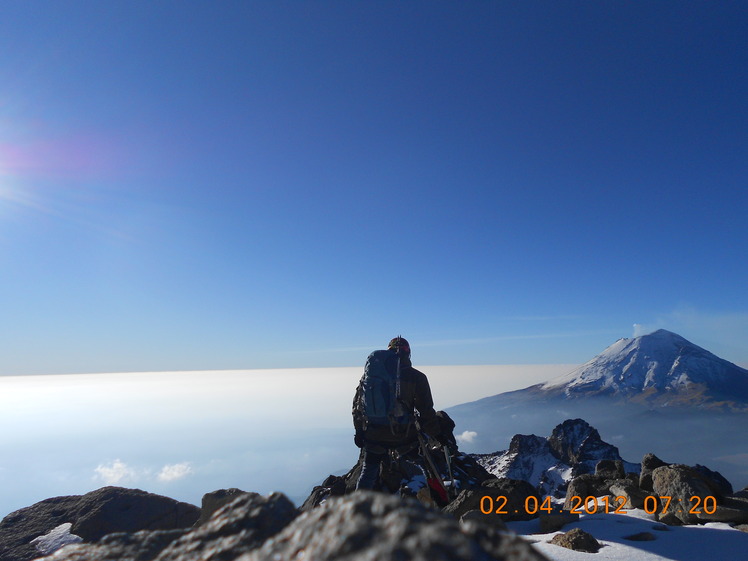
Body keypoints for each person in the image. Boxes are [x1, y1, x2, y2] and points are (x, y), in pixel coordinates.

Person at [352, 336, 441, 491]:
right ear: (408, 353)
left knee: (368, 472)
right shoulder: (416, 377)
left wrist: (359, 431)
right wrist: (437, 434)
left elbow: (358, 405)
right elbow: (426, 410)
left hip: (374, 434)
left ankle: (359, 507)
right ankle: (434, 498)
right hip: (404, 436)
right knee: (424, 465)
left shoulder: (370, 376)